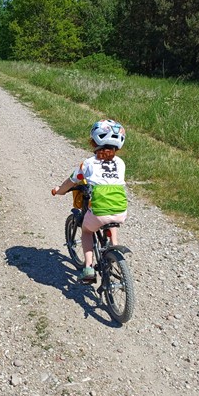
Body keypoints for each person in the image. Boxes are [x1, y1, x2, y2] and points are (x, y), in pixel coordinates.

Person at [51, 119, 128, 281]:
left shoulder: (87, 164)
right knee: (111, 217)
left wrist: (60, 191)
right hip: (121, 211)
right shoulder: (121, 163)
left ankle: (88, 267)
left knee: (87, 231)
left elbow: (70, 182)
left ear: (94, 141)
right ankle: (114, 247)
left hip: (98, 211)